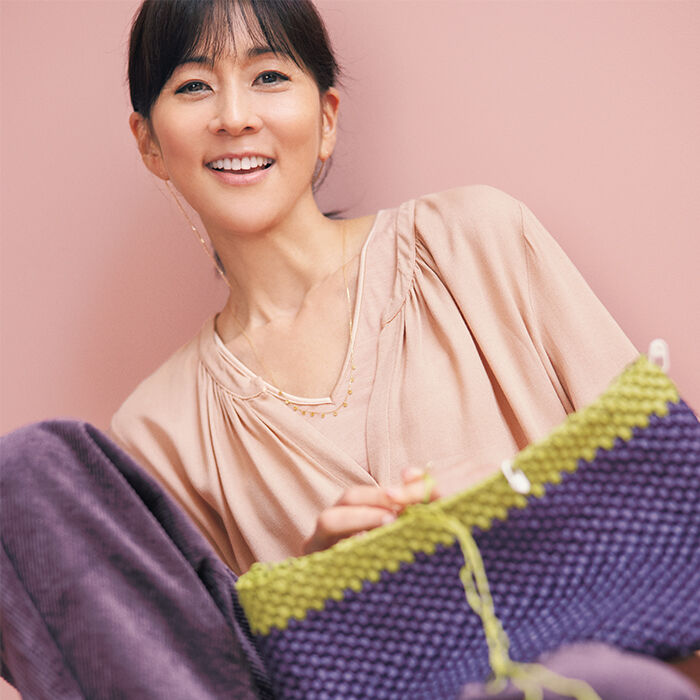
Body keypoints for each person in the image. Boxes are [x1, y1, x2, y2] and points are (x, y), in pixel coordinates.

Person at [1, 1, 697, 698]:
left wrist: (517, 511)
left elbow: (676, 511)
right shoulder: (157, 432)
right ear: (149, 143)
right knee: (27, 471)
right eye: (193, 86)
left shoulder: (475, 240)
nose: (234, 116)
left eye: (269, 76)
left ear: (327, 118)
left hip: (591, 682)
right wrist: (331, 596)